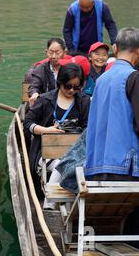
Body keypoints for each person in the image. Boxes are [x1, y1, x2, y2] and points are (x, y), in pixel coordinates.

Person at [85, 27, 139, 251]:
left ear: (116, 48)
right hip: (130, 169)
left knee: (111, 228)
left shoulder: (101, 79)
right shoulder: (134, 77)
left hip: (99, 166)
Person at [24, 64, 90, 196]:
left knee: (70, 164)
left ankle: (53, 201)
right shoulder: (45, 99)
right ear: (60, 83)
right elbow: (28, 123)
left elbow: (87, 127)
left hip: (75, 152)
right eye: (68, 86)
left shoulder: (84, 101)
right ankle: (50, 201)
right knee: (62, 164)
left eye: (76, 87)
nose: (71, 90)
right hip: (46, 152)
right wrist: (45, 130)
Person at [28, 38, 68, 107]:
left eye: (57, 53)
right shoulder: (40, 69)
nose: (54, 56)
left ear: (65, 53)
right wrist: (34, 94)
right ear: (46, 52)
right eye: (51, 52)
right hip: (46, 105)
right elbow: (34, 86)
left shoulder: (69, 68)